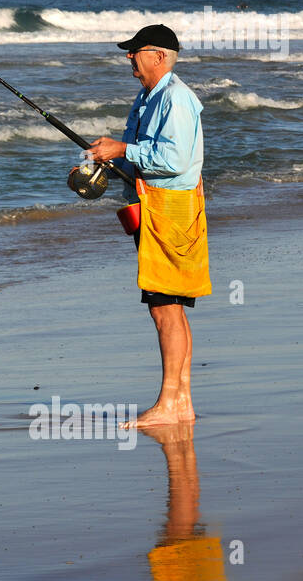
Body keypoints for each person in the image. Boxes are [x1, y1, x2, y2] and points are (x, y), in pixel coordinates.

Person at [84, 25, 210, 427]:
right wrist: (107, 161)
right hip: (153, 206)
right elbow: (141, 156)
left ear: (158, 55)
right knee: (169, 308)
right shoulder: (146, 98)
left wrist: (122, 148)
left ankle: (170, 404)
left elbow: (173, 160)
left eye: (134, 51)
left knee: (164, 310)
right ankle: (181, 401)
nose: (129, 58)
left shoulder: (176, 99)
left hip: (170, 210)